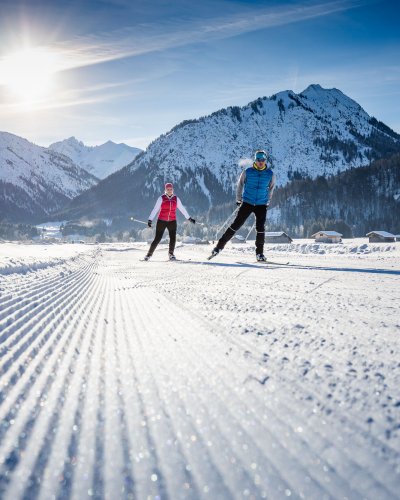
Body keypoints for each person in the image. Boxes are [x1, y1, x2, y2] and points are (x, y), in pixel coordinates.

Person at [209, 149, 275, 262]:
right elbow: (240, 185)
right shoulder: (248, 172)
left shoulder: (270, 174)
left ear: (265, 160)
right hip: (247, 202)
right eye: (258, 159)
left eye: (262, 159)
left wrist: (267, 201)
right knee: (236, 225)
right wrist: (238, 199)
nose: (260, 161)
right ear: (255, 160)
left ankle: (260, 254)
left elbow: (271, 188)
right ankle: (218, 247)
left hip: (261, 205)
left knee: (260, 229)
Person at [144, 183, 195, 261]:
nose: (169, 191)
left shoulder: (176, 199)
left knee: (173, 238)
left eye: (171, 189)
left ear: (172, 190)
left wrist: (189, 218)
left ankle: (171, 254)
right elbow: (155, 209)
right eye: (168, 189)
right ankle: (148, 255)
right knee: (157, 238)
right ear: (165, 190)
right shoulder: (161, 198)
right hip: (161, 221)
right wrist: (150, 220)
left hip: (172, 221)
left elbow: (182, 209)